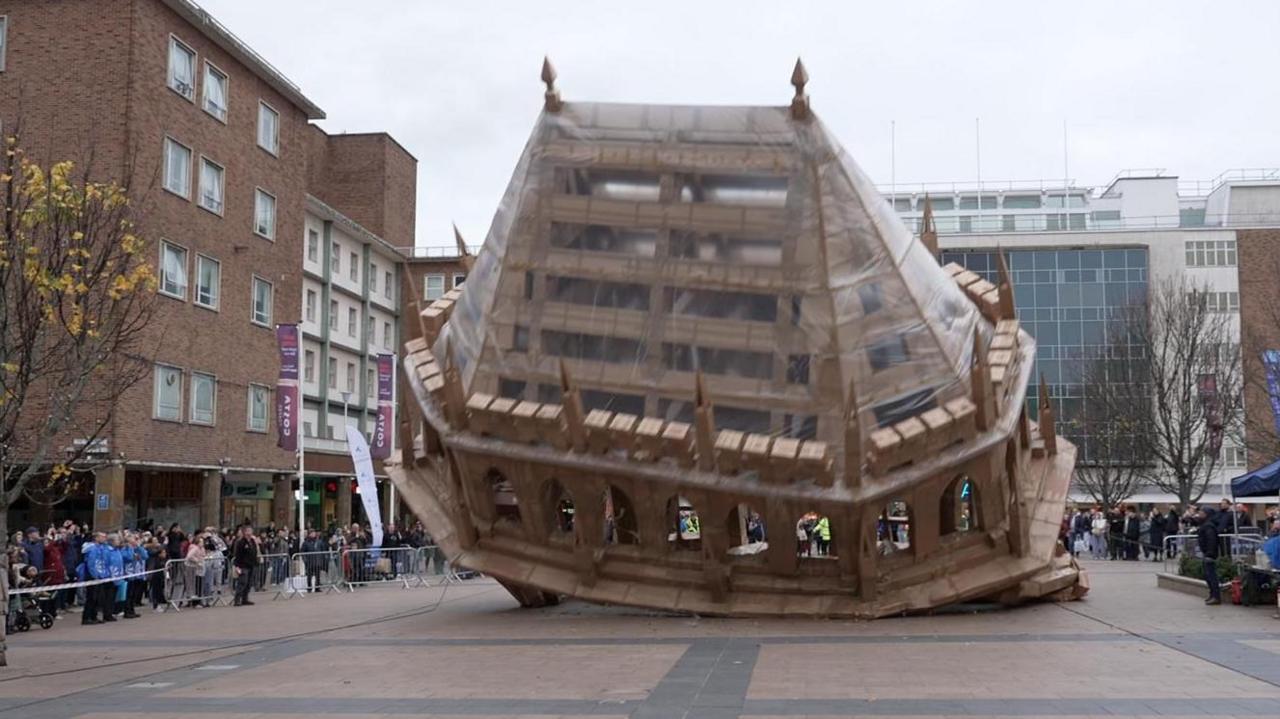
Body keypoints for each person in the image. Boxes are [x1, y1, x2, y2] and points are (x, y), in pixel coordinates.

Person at [1194, 507, 1222, 605]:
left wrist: (1210, 553)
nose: (1199, 514)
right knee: (1207, 576)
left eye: (1202, 513)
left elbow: (1212, 540)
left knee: (1211, 576)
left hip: (1209, 554)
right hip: (1206, 553)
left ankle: (1215, 596)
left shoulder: (1209, 526)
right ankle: (1212, 594)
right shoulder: (1205, 525)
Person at [230, 524, 260, 606]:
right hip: (243, 565)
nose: (249, 533)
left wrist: (256, 562)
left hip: (251, 564)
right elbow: (238, 554)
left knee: (249, 583)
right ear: (244, 532)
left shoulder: (252, 541)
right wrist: (237, 566)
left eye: (250, 531)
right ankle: (237, 599)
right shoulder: (241, 542)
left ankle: (245, 598)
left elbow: (255, 552)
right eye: (248, 531)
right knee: (242, 582)